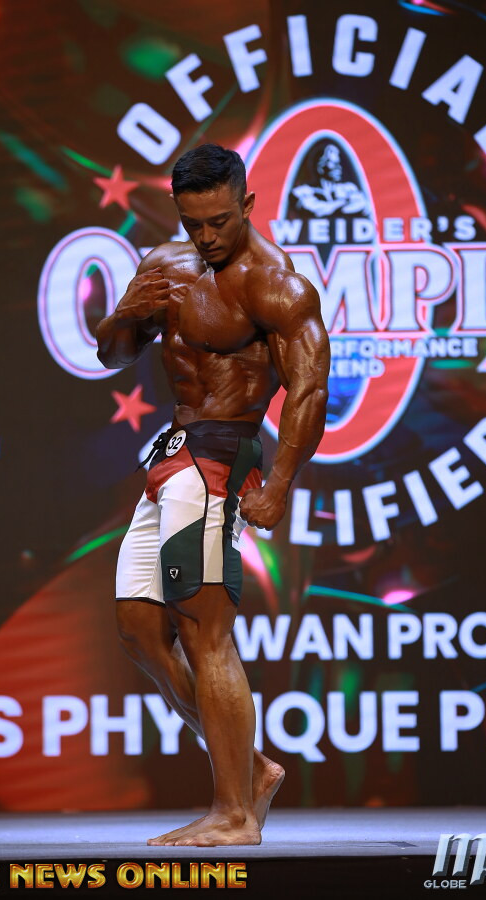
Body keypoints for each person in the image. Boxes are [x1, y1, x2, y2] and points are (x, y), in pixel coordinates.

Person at [96, 144, 330, 846]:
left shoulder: (278, 286)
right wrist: (122, 315)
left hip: (221, 459)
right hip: (171, 454)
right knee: (139, 628)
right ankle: (251, 769)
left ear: (247, 204)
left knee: (205, 633)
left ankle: (234, 813)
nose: (206, 237)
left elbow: (309, 390)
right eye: (193, 223)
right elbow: (114, 353)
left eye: (220, 222)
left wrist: (279, 485)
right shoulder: (166, 265)